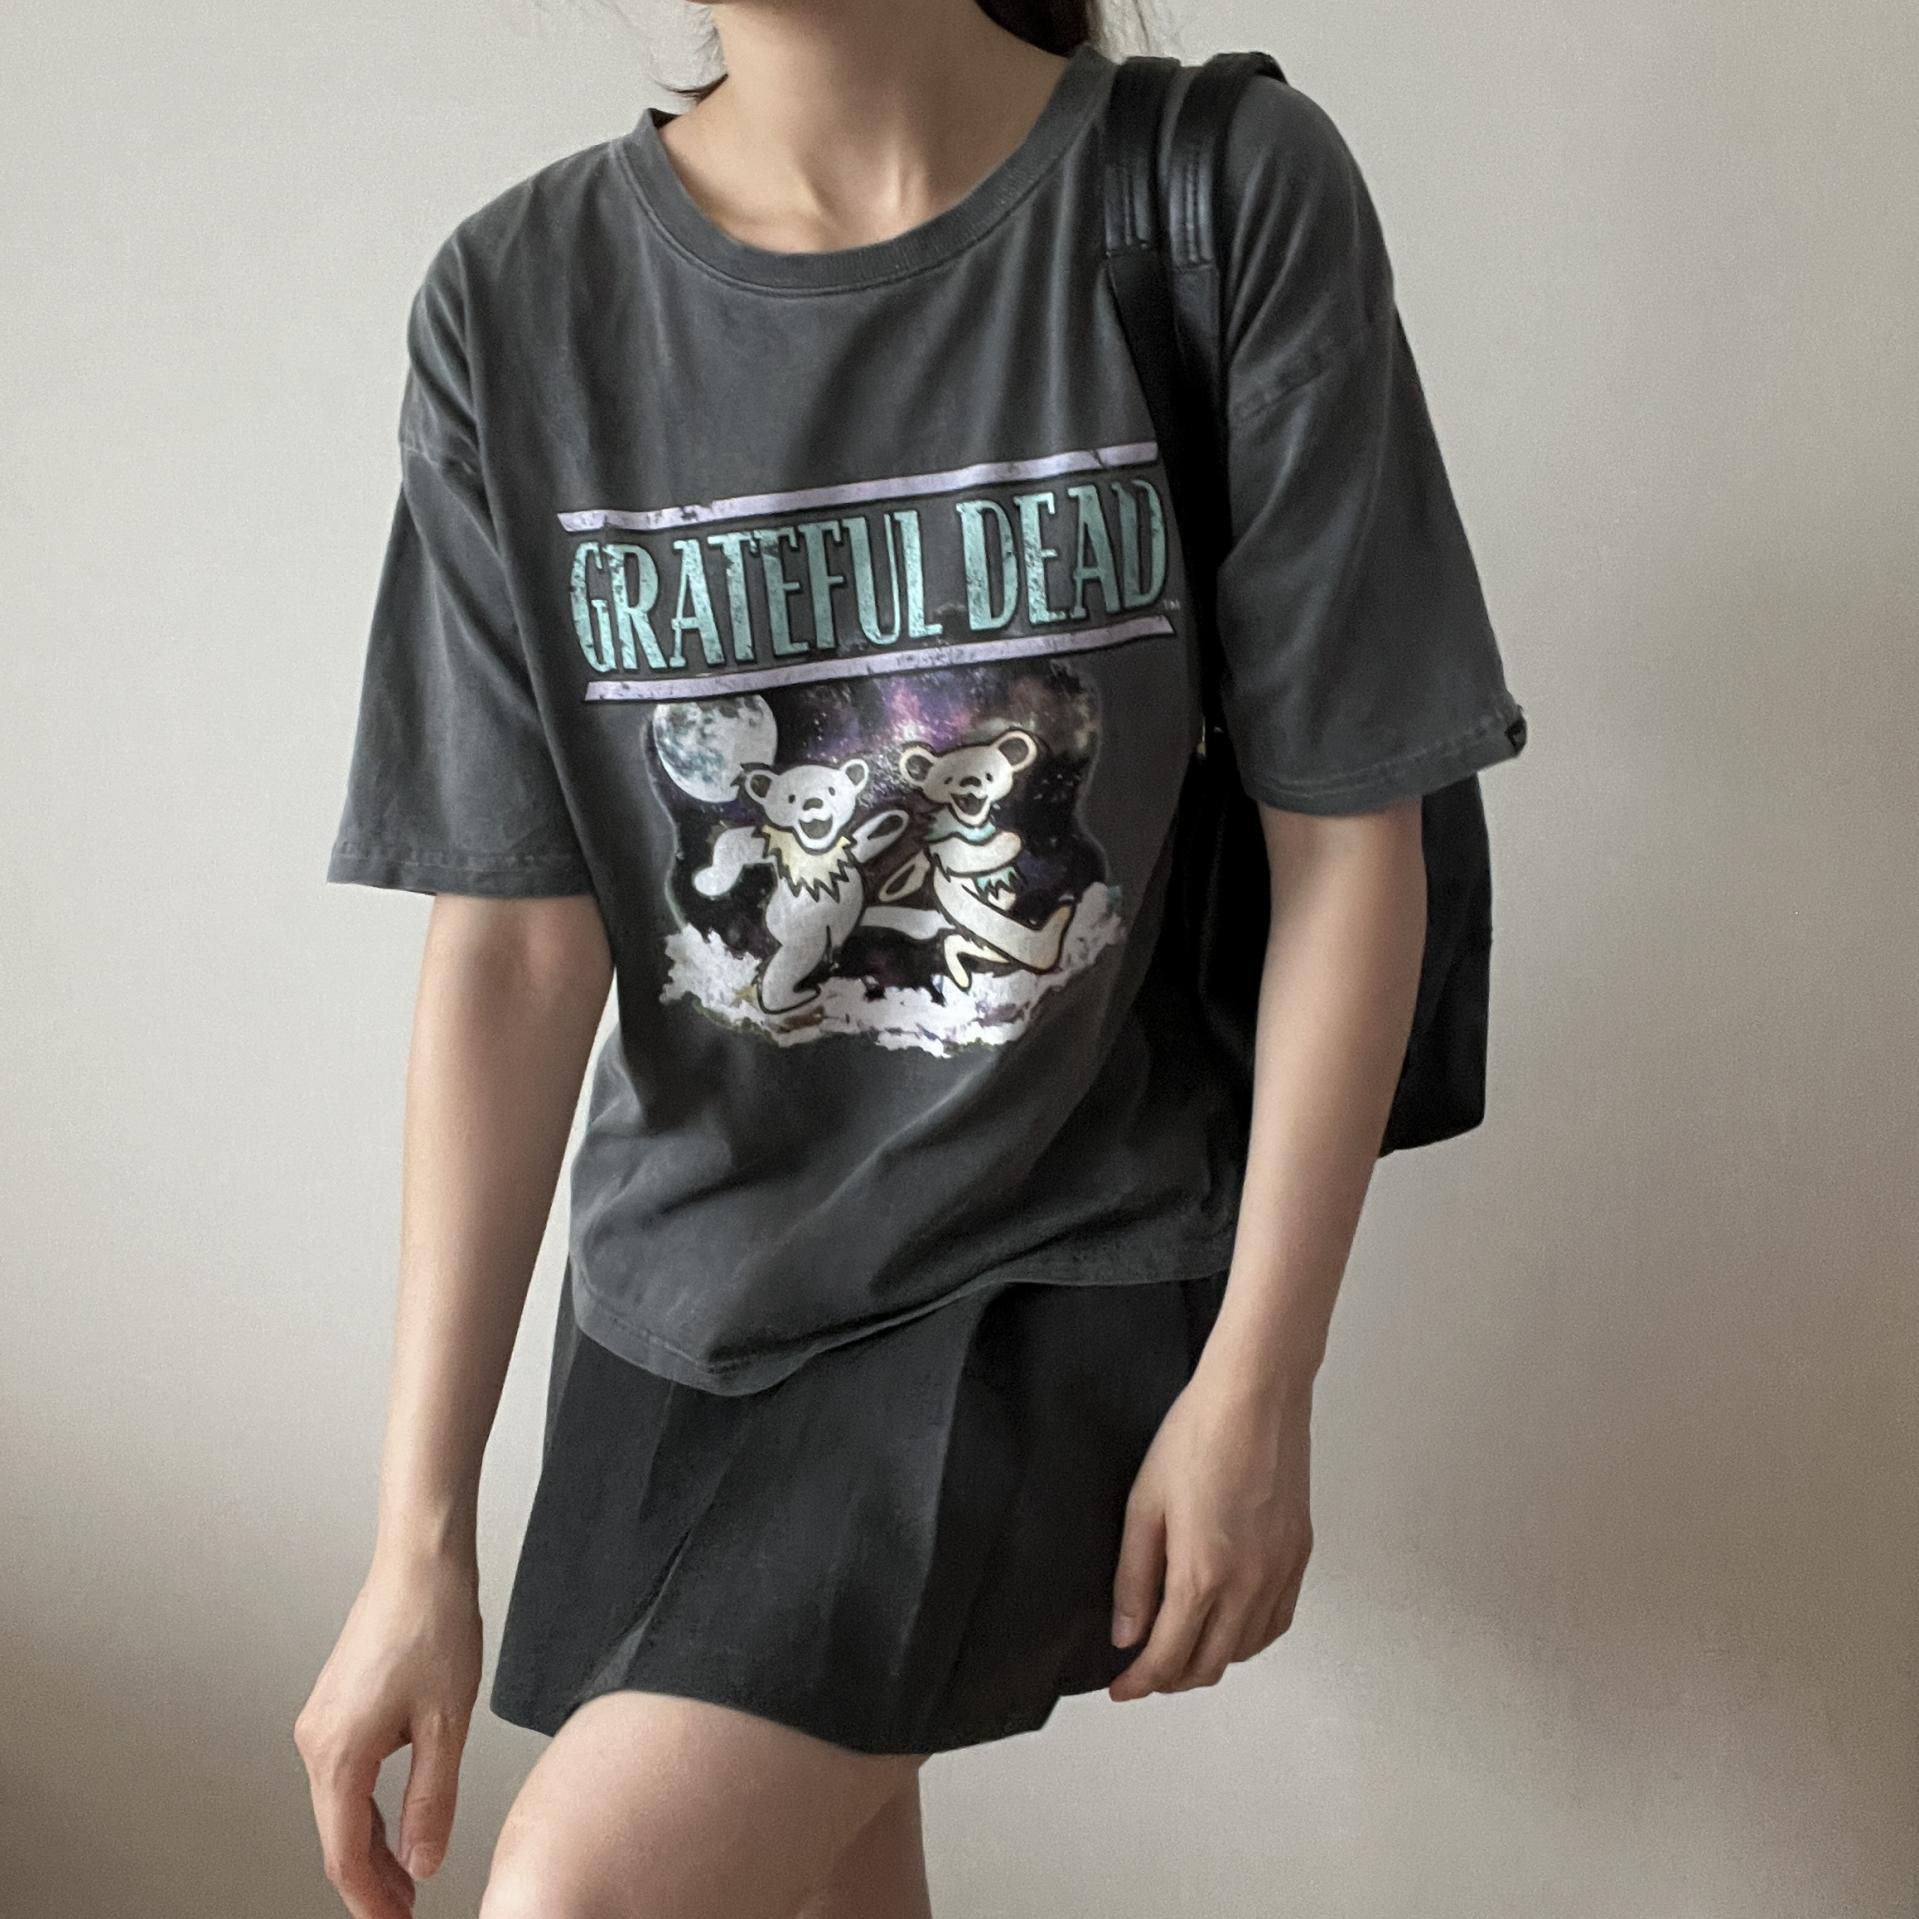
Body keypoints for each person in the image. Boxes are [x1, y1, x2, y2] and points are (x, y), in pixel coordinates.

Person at [293, 1, 1528, 1914]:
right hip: (684, 1295)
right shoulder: (519, 303)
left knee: (577, 1891)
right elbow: (517, 953)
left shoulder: (1212, 198)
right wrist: (415, 1536)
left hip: (1058, 1244)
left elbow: (1351, 834)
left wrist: (1261, 1381)